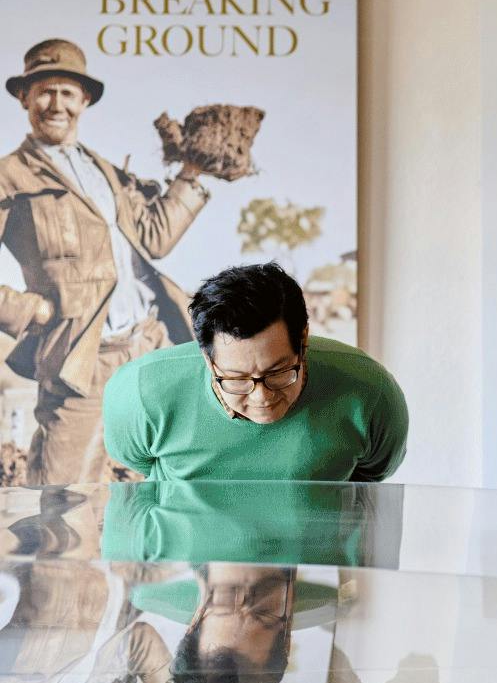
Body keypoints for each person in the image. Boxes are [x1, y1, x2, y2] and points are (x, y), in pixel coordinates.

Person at [0, 40, 212, 487]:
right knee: (63, 499)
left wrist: (191, 173)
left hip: (151, 346)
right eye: (44, 91)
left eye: (67, 93)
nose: (56, 104)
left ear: (85, 100)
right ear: (24, 98)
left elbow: (154, 238)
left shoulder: (107, 173)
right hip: (82, 360)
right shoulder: (10, 175)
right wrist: (28, 310)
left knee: (168, 488)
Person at [102, 262, 408, 482]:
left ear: (302, 342)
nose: (261, 397)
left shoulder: (370, 392)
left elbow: (372, 479)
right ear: (208, 360)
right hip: (189, 566)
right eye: (236, 379)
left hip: (315, 568)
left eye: (278, 373)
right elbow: (135, 461)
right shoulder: (140, 393)